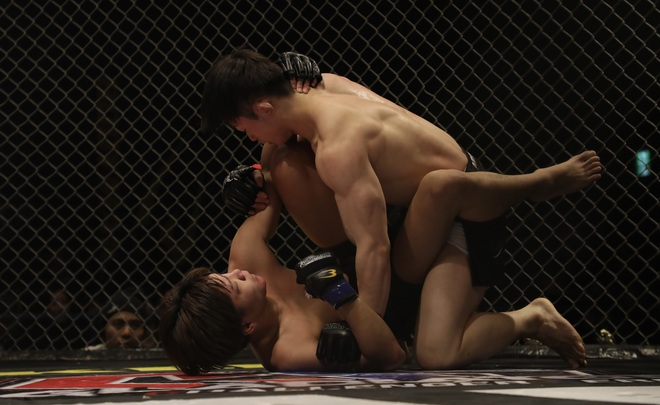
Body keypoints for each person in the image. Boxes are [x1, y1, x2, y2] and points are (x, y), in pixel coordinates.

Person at [201, 48, 603, 323]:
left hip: (463, 214)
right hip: (411, 208)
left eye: (245, 128)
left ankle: (531, 309)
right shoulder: (324, 87)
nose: (249, 137)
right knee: (279, 157)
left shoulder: (338, 147)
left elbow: (374, 247)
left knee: (438, 354)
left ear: (265, 109)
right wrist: (256, 177)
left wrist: (368, 332)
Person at [159, 165, 590, 374]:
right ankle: (532, 317)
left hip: (385, 256)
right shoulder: (289, 351)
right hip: (402, 302)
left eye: (225, 274)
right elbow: (392, 356)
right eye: (235, 287)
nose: (237, 273)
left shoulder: (245, 260)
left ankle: (537, 182)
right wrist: (341, 298)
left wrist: (251, 179)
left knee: (287, 159)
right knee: (436, 356)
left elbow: (270, 182)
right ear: (247, 327)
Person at [85, 290, 157, 350]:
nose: (126, 333)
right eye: (118, 324)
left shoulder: (152, 357)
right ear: (103, 330)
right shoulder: (88, 356)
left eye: (135, 325)